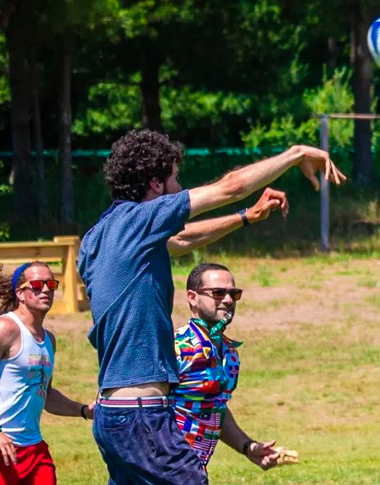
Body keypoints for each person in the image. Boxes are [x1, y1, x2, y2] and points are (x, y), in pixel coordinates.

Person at [78, 129, 345, 485]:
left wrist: (246, 217)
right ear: (155, 184)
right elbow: (229, 187)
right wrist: (294, 154)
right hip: (141, 416)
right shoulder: (139, 221)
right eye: (175, 178)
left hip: (113, 417)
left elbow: (182, 239)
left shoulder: (99, 237)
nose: (179, 185)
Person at [0, 262, 95, 485]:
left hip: (33, 447)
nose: (45, 290)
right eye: (36, 284)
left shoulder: (49, 340)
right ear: (20, 293)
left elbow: (47, 394)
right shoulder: (5, 328)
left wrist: (83, 410)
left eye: (51, 284)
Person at [173, 263, 297, 475]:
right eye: (218, 293)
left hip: (191, 470)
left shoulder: (229, 354)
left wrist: (247, 447)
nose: (228, 300)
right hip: (159, 467)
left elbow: (215, 409)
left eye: (234, 293)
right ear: (192, 297)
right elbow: (140, 402)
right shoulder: (177, 347)